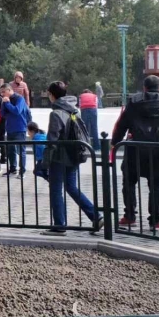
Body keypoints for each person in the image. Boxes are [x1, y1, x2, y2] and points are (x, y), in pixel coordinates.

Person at [111, 75, 159, 231]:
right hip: (157, 152)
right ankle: (155, 221)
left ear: (144, 88)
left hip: (134, 149)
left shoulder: (134, 103)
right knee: (155, 186)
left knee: (128, 183)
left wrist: (115, 143)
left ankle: (129, 216)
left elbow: (122, 125)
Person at [41, 81, 103, 235]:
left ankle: (60, 225)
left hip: (60, 157)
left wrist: (45, 161)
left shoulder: (56, 113)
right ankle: (96, 215)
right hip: (74, 155)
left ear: (52, 95)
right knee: (71, 187)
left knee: (56, 189)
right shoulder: (74, 110)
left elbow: (52, 140)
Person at [0, 82, 31, 176]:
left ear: (9, 90)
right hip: (9, 128)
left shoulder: (19, 98)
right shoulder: (5, 100)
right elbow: (2, 114)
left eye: (3, 92)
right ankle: (13, 168)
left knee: (21, 150)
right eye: (1, 92)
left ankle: (22, 171)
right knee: (10, 150)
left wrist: (8, 103)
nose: (2, 94)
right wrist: (3, 103)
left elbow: (17, 111)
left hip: (20, 128)